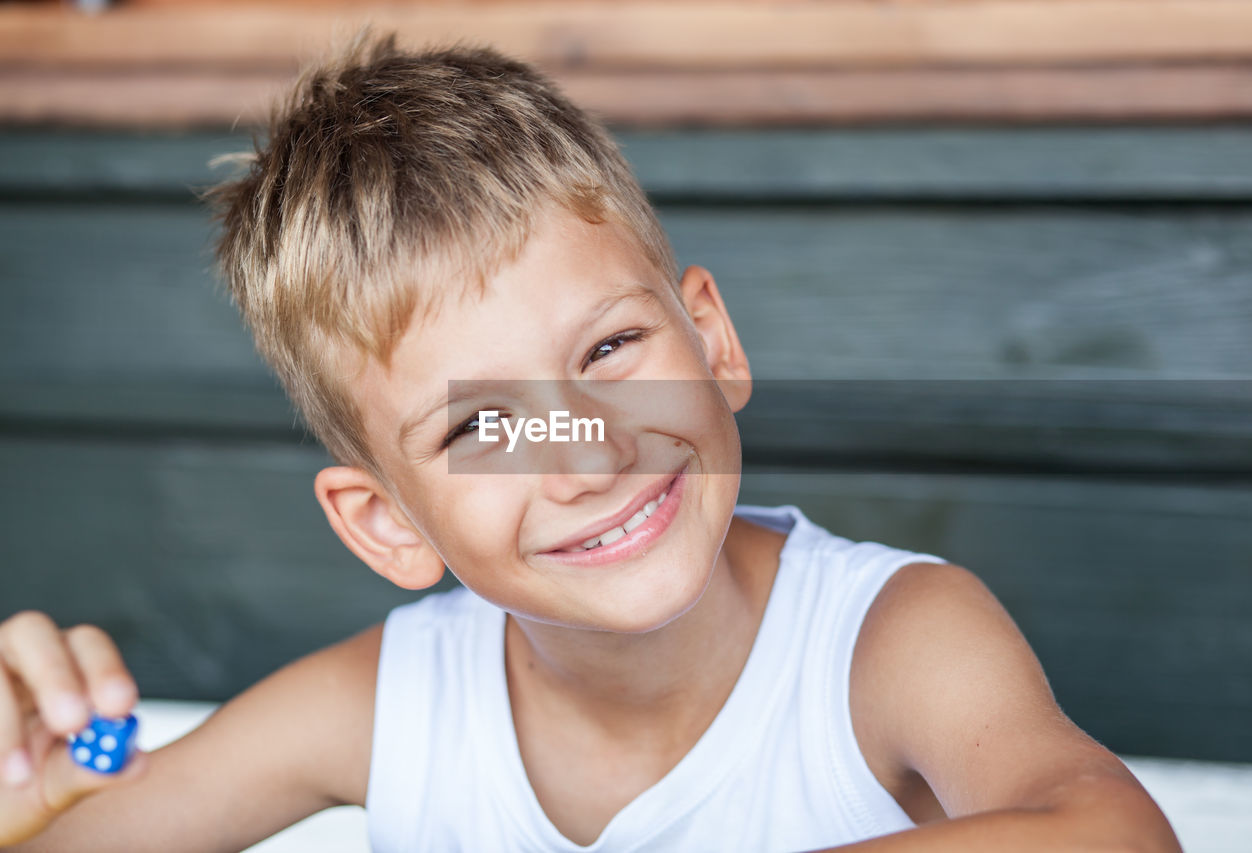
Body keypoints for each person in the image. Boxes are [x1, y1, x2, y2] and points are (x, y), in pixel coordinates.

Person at [0, 32, 1180, 852]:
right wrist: (24, 795)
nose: (583, 455)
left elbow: (1112, 835)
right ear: (389, 523)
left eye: (609, 351)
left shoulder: (889, 642)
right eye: (479, 423)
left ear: (709, 337)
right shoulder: (388, 704)